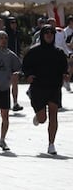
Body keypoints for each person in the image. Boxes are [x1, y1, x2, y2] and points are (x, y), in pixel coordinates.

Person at [22, 24, 69, 155]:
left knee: (54, 113)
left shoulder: (58, 52)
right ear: (42, 35)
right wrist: (28, 76)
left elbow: (64, 67)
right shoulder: (34, 51)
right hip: (38, 87)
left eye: (51, 33)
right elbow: (25, 66)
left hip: (54, 87)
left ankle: (51, 144)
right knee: (42, 119)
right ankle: (38, 116)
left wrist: (65, 74)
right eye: (46, 33)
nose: (49, 35)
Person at [5, 17, 24, 112]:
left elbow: (19, 46)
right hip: (6, 60)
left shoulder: (17, 33)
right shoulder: (5, 34)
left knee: (15, 81)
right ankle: (5, 102)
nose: (14, 24)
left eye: (15, 22)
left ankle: (15, 102)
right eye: (12, 23)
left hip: (15, 60)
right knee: (6, 83)